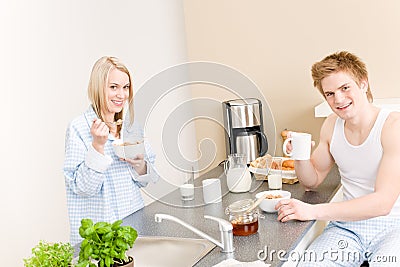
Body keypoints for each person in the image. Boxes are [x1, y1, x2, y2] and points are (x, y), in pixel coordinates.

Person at [277, 51, 400, 266]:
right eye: (330, 94)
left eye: (345, 88)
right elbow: (311, 180)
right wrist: (300, 154)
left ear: (363, 84)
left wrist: (313, 211)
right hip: (348, 228)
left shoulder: (392, 127)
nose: (339, 99)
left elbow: (383, 204)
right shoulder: (331, 125)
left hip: (393, 227)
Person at [64, 56, 159, 245]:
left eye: (126, 87)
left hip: (133, 230)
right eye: (113, 87)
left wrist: (140, 165)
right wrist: (98, 147)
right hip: (99, 240)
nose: (121, 95)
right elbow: (81, 189)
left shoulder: (131, 127)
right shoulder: (79, 128)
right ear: (99, 88)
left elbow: (150, 179)